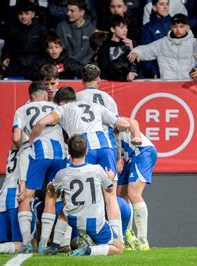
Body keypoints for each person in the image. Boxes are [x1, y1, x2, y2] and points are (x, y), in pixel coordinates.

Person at [30, 86, 141, 245]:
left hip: (83, 147)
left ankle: (64, 242)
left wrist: (31, 140)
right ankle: (118, 239)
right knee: (110, 196)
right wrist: (133, 134)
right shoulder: (96, 106)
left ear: (60, 101)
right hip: (104, 147)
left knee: (71, 196)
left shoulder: (63, 109)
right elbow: (123, 123)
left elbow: (41, 122)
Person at [12, 81, 68, 253]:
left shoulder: (21, 110)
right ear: (45, 94)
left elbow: (16, 137)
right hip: (60, 154)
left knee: (25, 196)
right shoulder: (55, 107)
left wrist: (25, 146)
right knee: (52, 196)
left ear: (30, 96)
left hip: (39, 152)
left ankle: (27, 242)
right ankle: (45, 242)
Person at [48, 134, 124, 256]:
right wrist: (109, 177)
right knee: (118, 248)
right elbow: (109, 190)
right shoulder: (97, 169)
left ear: (69, 152)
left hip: (73, 219)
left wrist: (50, 185)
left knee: (64, 212)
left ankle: (55, 245)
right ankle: (89, 250)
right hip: (95, 223)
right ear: (87, 151)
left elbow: (51, 188)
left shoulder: (62, 173)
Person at [128, 13, 197, 80]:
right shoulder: (163, 43)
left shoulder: (194, 44)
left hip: (187, 86)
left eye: (182, 27)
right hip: (167, 86)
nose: (178, 29)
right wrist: (136, 52)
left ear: (187, 28)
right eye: (175, 26)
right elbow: (147, 49)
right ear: (171, 27)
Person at [117, 124, 157, 251]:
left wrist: (137, 136)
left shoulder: (109, 116)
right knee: (119, 196)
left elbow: (131, 121)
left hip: (141, 151)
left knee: (133, 193)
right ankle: (129, 237)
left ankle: (142, 240)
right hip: (129, 158)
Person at [1, 2, 48, 78]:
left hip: (35, 64)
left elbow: (44, 51)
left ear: (33, 14)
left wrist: (39, 64)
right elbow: (7, 46)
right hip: (16, 63)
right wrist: (5, 57)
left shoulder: (41, 29)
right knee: (6, 80)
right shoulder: (12, 29)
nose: (23, 17)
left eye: (26, 13)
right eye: (20, 14)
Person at [97, 15, 142, 81]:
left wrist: (133, 50)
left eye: (126, 27)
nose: (125, 30)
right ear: (112, 29)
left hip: (133, 82)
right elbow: (105, 70)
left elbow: (139, 66)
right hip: (114, 84)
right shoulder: (105, 47)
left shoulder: (131, 43)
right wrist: (125, 78)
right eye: (121, 27)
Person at [140, 0, 171, 79]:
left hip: (178, 73)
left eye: (167, 4)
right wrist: (154, 72)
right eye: (161, 4)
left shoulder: (176, 25)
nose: (165, 7)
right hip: (159, 74)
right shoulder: (148, 28)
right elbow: (146, 53)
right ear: (154, 7)